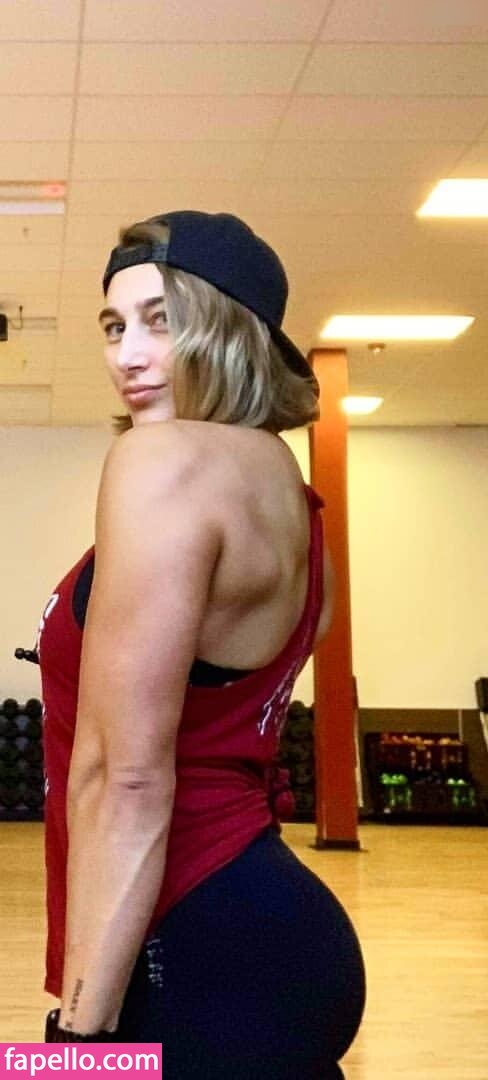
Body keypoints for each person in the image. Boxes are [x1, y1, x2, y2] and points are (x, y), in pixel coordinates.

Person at [38, 211, 365, 1075]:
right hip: (271, 933)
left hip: (187, 947)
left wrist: (76, 1044)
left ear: (230, 332)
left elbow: (127, 778)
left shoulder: (163, 463)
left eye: (162, 320)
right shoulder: (299, 506)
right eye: (115, 326)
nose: (129, 355)